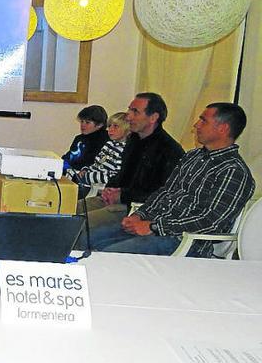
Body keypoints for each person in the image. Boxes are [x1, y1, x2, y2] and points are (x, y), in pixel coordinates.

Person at [91, 103, 255, 257]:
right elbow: (165, 192)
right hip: (154, 227)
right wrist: (139, 215)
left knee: (107, 254)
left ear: (223, 128)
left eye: (203, 121)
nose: (196, 125)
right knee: (85, 239)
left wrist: (153, 227)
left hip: (183, 241)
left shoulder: (233, 171)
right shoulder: (192, 157)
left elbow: (211, 222)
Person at [91, 93, 185, 228]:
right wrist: (110, 189)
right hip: (117, 200)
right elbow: (123, 174)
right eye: (129, 110)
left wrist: (122, 195)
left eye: (135, 112)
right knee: (68, 210)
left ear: (153, 117)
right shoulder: (133, 139)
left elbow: (163, 194)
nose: (128, 116)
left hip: (137, 210)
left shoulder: (169, 150)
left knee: (81, 225)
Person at [66, 111, 129, 195]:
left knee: (73, 187)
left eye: (116, 126)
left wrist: (89, 176)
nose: (110, 129)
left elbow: (115, 176)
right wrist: (86, 170)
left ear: (127, 130)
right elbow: (97, 163)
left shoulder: (124, 150)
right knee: (68, 174)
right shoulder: (109, 144)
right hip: (91, 177)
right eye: (109, 126)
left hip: (102, 184)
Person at [62, 105, 109, 171]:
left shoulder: (105, 140)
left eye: (87, 122)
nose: (83, 125)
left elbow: (91, 161)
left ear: (99, 125)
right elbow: (69, 156)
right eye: (82, 121)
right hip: (70, 172)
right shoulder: (79, 138)